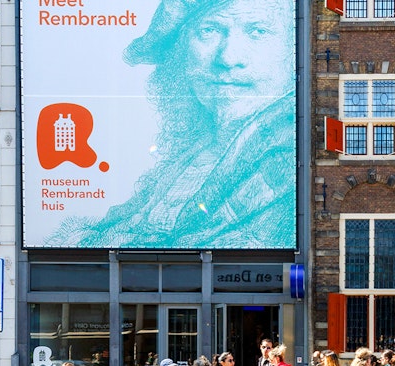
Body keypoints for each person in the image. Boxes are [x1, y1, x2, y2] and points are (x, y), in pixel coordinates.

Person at [53, 0, 296, 248]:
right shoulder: (198, 151)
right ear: (181, 51)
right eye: (209, 30)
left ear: (292, 48)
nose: (228, 57)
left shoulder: (288, 161)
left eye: (258, 31)